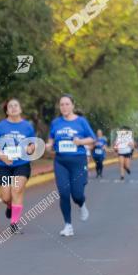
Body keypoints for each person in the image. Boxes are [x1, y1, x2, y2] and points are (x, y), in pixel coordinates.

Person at [47, 94, 95, 237]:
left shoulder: (81, 122)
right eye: (62, 104)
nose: (64, 107)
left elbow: (92, 138)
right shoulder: (56, 122)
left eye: (67, 104)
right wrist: (48, 145)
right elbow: (51, 139)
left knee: (77, 194)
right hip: (60, 162)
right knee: (63, 193)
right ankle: (68, 225)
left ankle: (81, 204)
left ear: (73, 105)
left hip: (78, 162)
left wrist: (80, 142)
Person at [0, 98, 37, 234]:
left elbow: (32, 143)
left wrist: (30, 149)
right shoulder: (1, 126)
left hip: (21, 164)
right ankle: (10, 206)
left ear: (20, 109)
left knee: (16, 190)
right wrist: (2, 156)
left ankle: (14, 224)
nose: (13, 108)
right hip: (4, 165)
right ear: (7, 110)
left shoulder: (27, 126)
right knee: (5, 197)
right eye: (10, 106)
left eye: (16, 105)